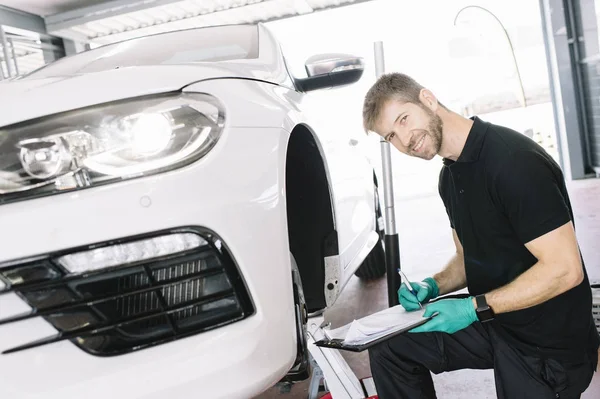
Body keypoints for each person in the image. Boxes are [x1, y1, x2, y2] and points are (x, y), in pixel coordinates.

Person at [361, 72, 600, 399]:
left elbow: (566, 270)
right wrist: (432, 285)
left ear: (428, 100)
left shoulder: (514, 162)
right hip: (498, 321)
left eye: (403, 120)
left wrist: (473, 308)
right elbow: (466, 258)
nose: (404, 140)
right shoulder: (450, 177)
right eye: (390, 136)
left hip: (548, 346)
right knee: (389, 346)